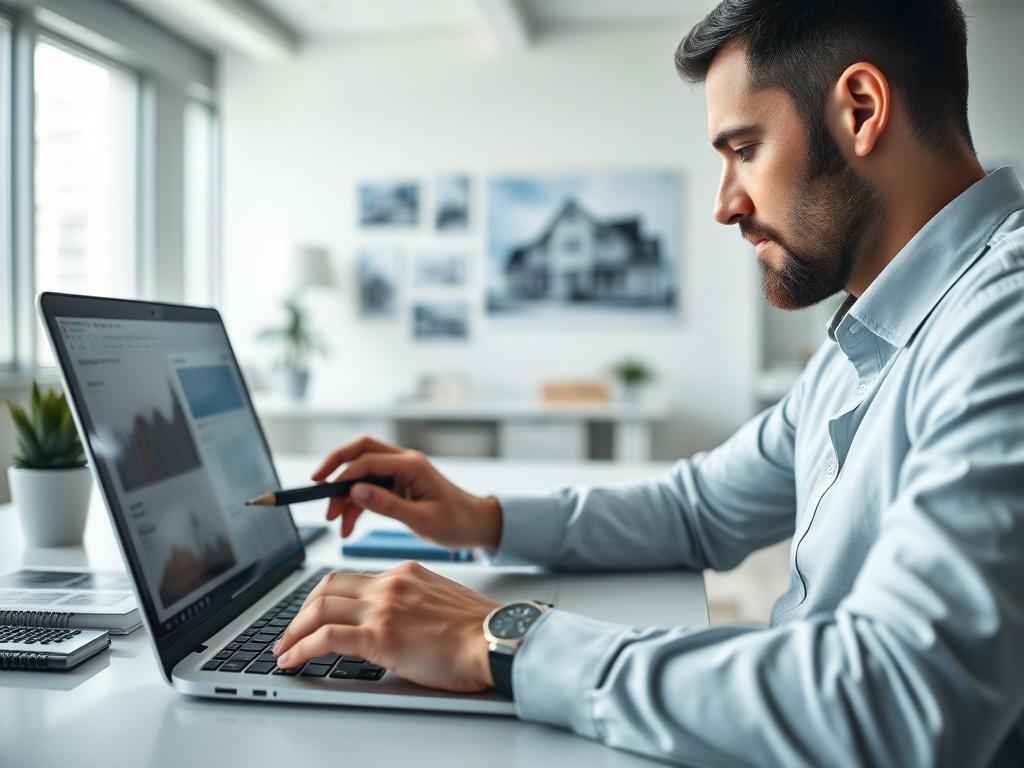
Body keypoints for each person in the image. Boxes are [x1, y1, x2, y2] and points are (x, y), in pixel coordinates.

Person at [272, 0, 1024, 764]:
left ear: (860, 110)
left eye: (745, 149)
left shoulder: (1005, 325)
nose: (726, 203)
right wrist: (482, 519)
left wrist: (502, 640)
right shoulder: (866, 338)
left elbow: (901, 699)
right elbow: (696, 510)